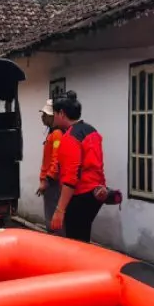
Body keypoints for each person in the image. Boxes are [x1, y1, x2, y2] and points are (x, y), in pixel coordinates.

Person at [50, 91, 108, 243]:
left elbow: (71, 177)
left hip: (80, 195)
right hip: (96, 192)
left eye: (54, 114)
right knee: (83, 237)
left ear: (61, 113)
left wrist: (60, 210)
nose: (54, 117)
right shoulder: (91, 130)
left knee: (76, 241)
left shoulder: (70, 137)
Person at [36, 99, 65, 236]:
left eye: (45, 115)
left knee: (53, 220)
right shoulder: (53, 134)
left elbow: (56, 159)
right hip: (50, 183)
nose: (42, 117)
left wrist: (47, 180)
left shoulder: (57, 135)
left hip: (52, 185)